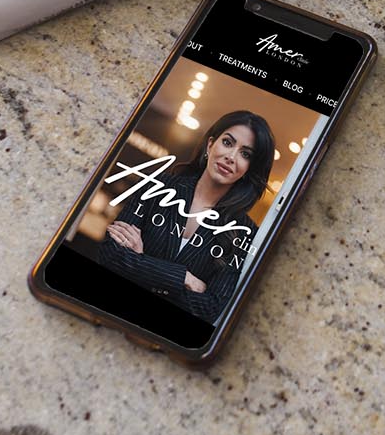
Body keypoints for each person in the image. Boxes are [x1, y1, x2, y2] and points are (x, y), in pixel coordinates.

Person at [93, 109, 276, 321]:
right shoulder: (158, 185)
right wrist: (185, 279)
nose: (231, 156)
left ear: (249, 169)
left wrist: (140, 261)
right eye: (227, 142)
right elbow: (110, 254)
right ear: (210, 145)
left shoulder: (245, 234)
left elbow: (210, 308)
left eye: (246, 154)